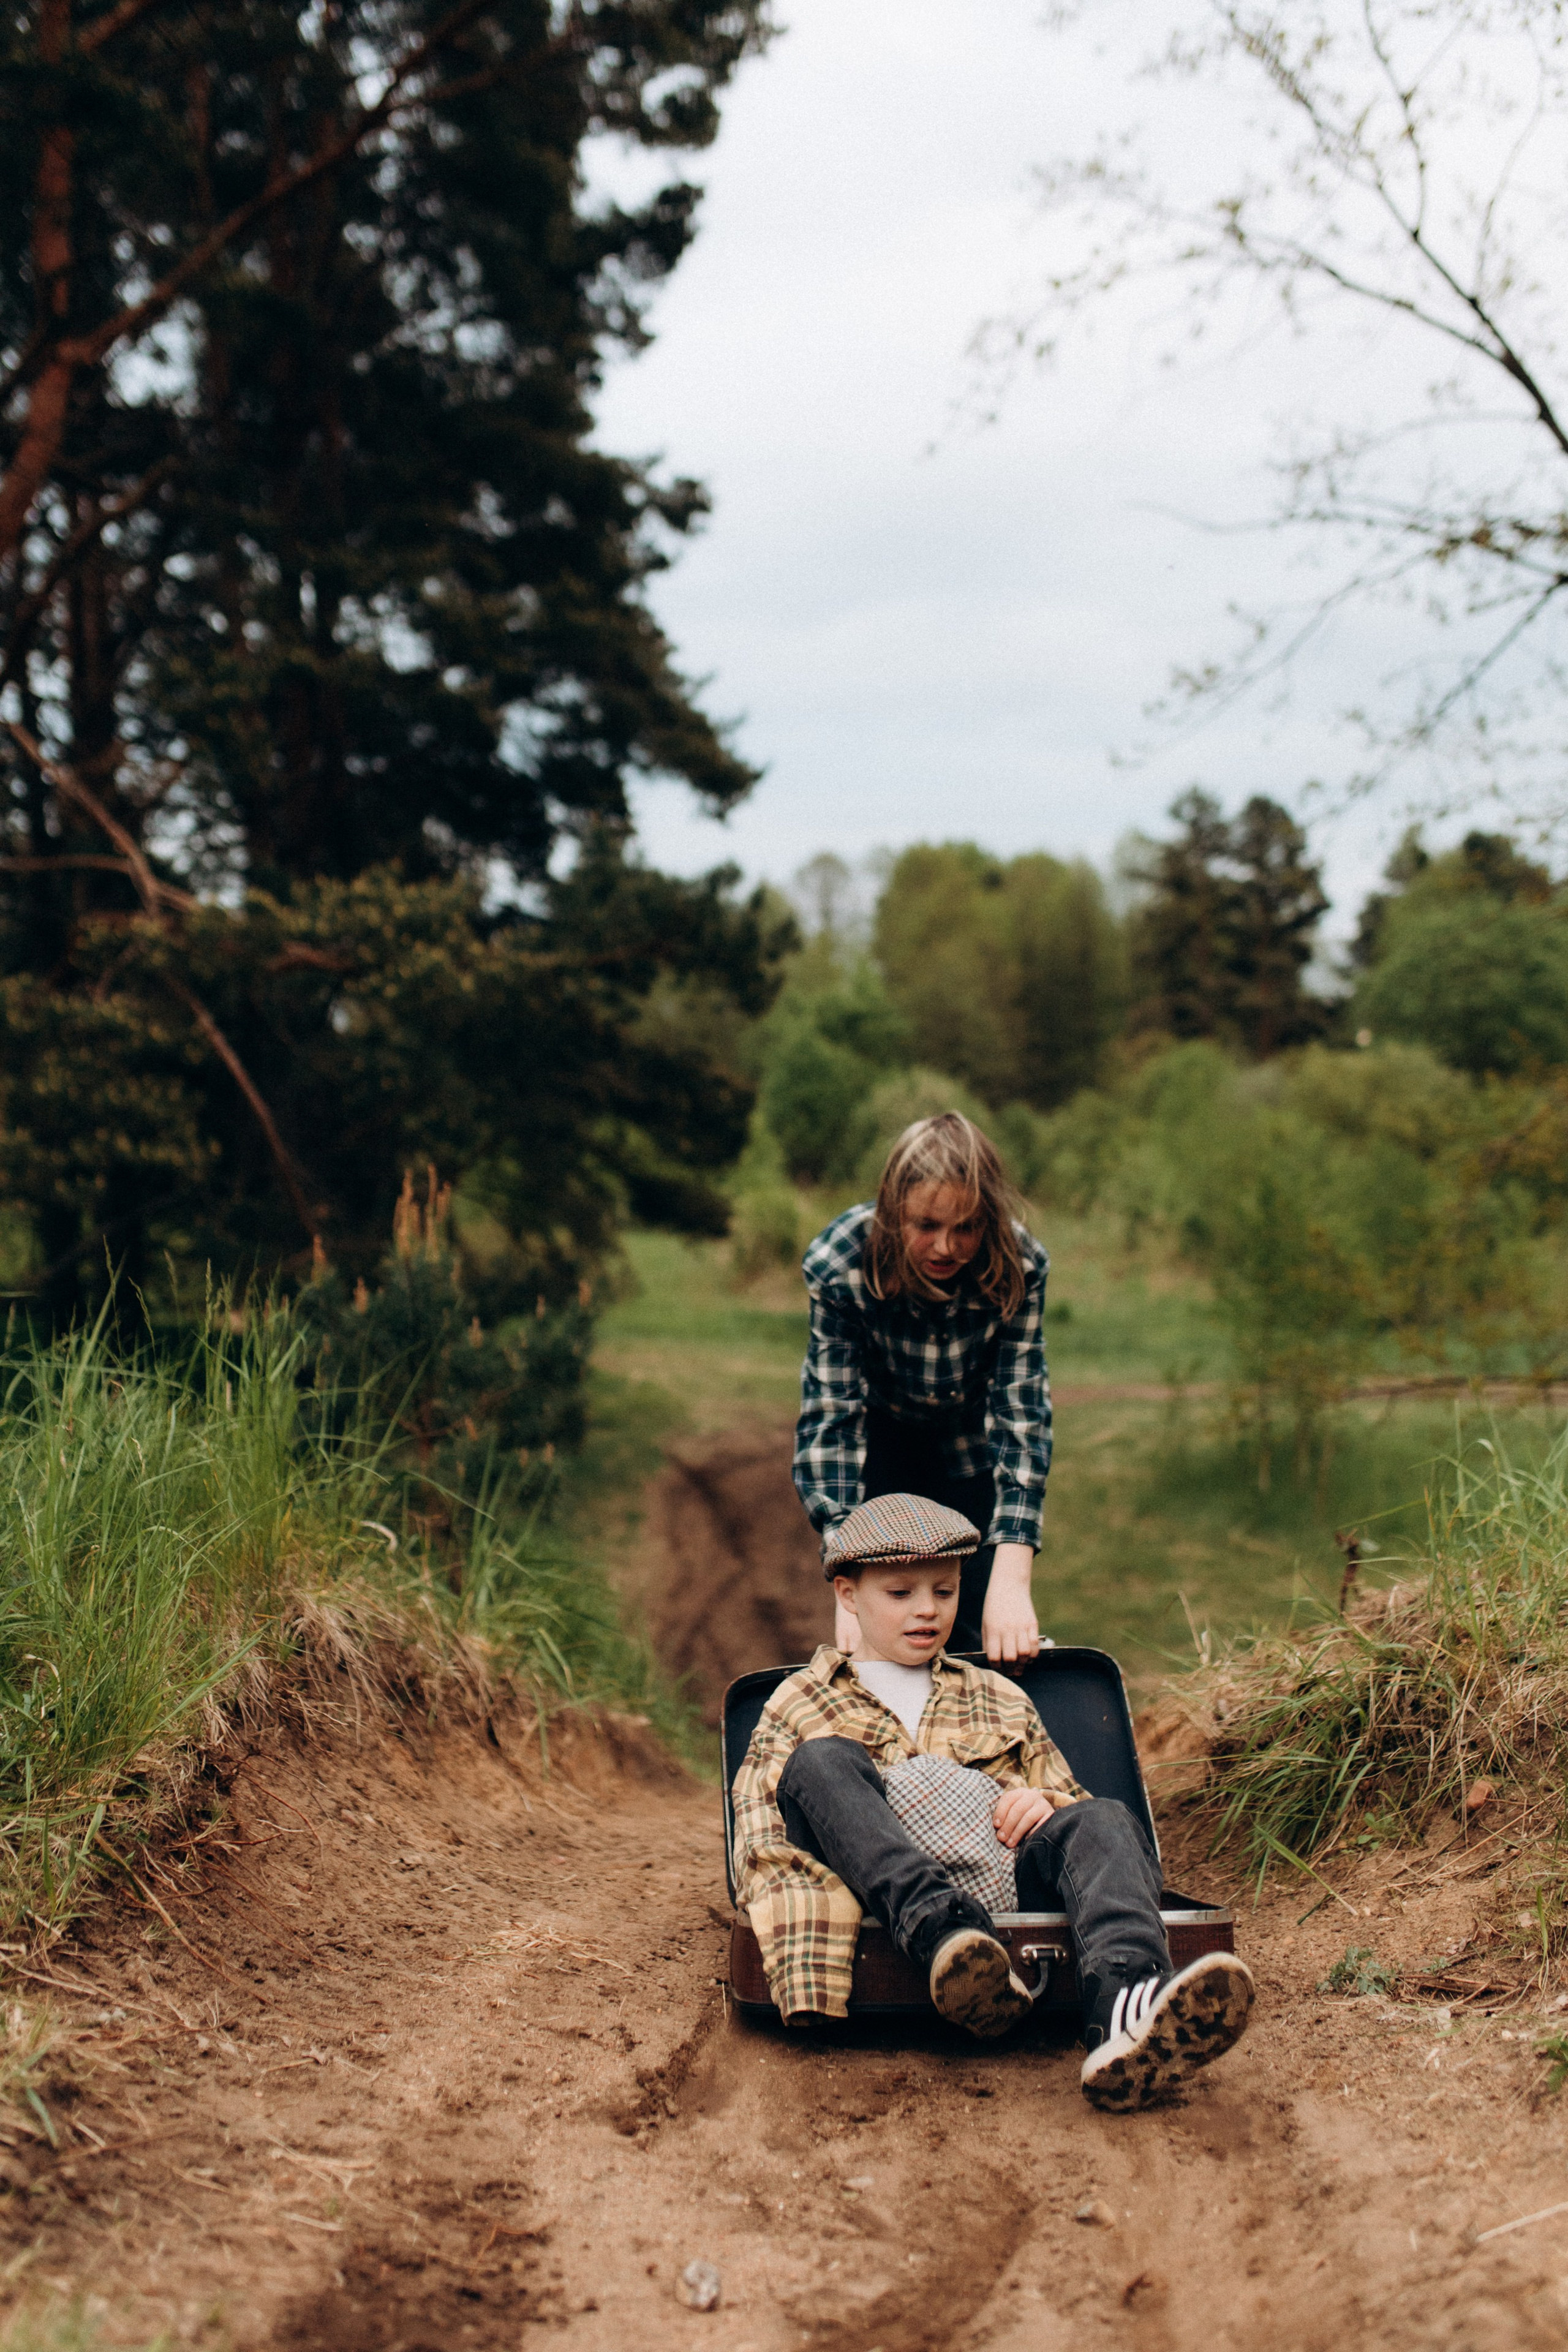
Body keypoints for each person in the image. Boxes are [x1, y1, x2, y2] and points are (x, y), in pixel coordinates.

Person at [731, 1492, 1255, 2111]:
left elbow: (1081, 1822)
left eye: (945, 1592)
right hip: (886, 1898)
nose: (927, 1610)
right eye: (900, 1594)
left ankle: (1126, 2003)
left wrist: (1043, 1804)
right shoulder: (800, 1700)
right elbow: (760, 1836)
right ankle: (946, 1937)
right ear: (847, 1594)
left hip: (1004, 1883)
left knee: (1107, 1817)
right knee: (820, 1762)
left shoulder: (998, 1697)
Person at [793, 1112, 1049, 1662]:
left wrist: (1013, 1576)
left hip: (969, 1441)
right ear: (891, 1214)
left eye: (966, 1228)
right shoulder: (839, 1264)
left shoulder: (1018, 1266)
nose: (946, 1247)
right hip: (878, 1441)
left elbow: (1021, 1410)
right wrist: (846, 1562)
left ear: (991, 1220)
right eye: (926, 1225)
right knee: (888, 1622)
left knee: (975, 1617)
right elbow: (831, 1417)